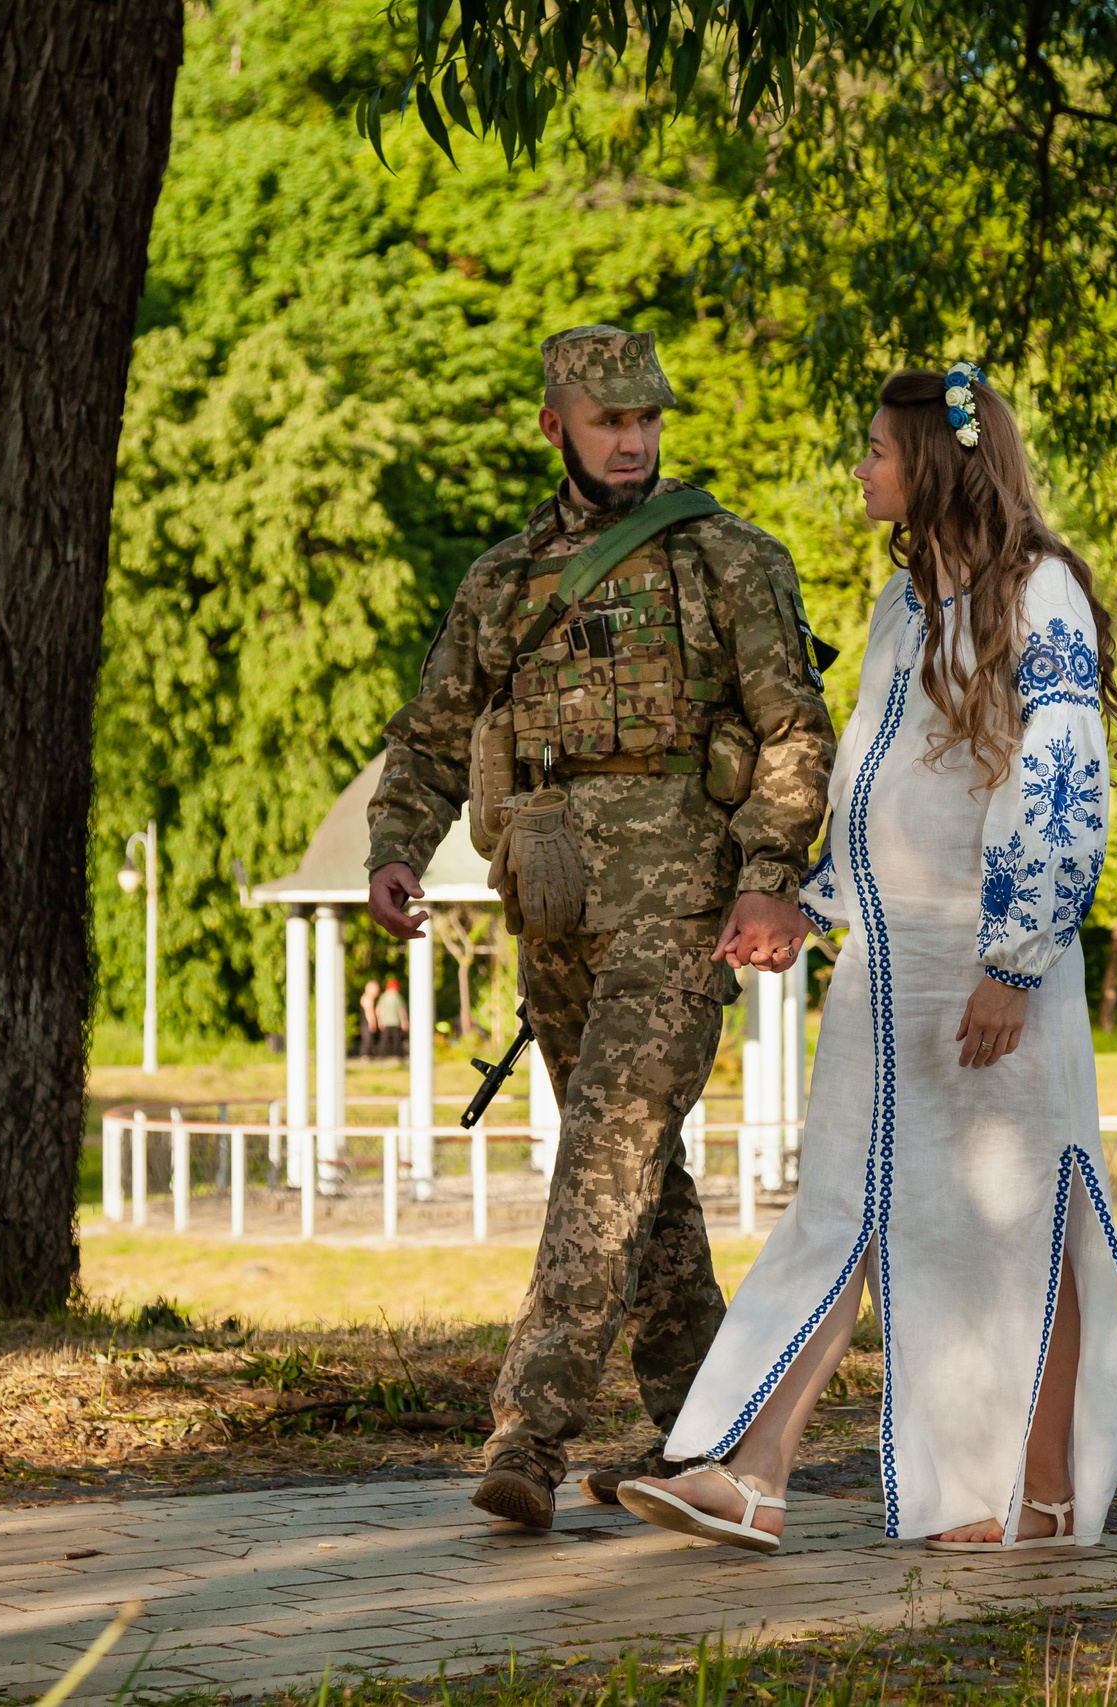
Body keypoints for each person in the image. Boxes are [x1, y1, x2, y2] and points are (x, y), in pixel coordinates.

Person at [617, 363, 1117, 1554]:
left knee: (1021, 1219)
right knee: (838, 1210)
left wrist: (1015, 963)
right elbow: (873, 775)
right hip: (886, 966)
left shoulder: (1038, 591)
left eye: (875, 450)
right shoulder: (904, 605)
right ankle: (752, 1474)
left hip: (988, 967)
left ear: (933, 464)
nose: (858, 469)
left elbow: (1062, 778)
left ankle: (1040, 1494)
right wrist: (810, 906)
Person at [366, 325, 838, 1530]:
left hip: (680, 910)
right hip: (553, 908)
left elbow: (793, 730)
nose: (631, 441)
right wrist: (394, 850)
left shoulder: (728, 560)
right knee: (641, 1179)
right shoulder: (502, 579)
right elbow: (431, 735)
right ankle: (708, 1436)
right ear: (555, 428)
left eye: (645, 419)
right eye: (607, 421)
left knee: (604, 1157)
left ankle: (526, 1433)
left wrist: (769, 875)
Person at [376, 977, 408, 1059]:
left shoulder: (383, 996)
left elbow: (379, 1009)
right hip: (394, 1021)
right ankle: (399, 1056)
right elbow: (402, 1010)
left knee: (386, 1040)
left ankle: (382, 1056)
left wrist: (380, 1021)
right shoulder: (397, 997)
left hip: (387, 1022)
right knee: (396, 1040)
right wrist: (404, 1021)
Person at [357, 979, 381, 1060]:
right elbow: (369, 1011)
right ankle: (365, 1055)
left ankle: (367, 1055)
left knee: (368, 1038)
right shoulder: (368, 999)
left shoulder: (366, 998)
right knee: (367, 1038)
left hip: (365, 1021)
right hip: (367, 1021)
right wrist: (372, 1022)